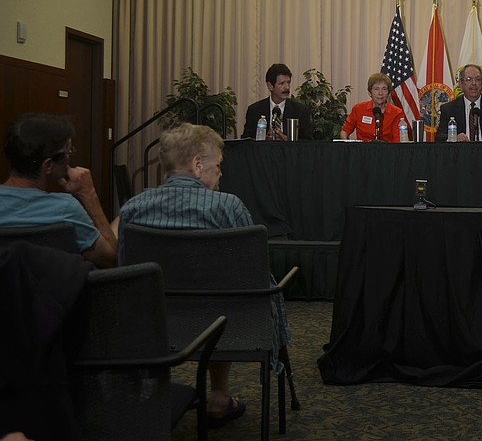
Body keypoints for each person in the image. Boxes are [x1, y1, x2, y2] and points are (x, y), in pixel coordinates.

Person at [117, 122, 292, 428]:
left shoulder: (132, 209)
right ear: (198, 166)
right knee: (224, 292)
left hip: (152, 324)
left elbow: (125, 273)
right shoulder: (229, 208)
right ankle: (220, 397)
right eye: (218, 166)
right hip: (225, 328)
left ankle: (152, 399)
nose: (220, 174)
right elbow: (253, 272)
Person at [0, 113, 117, 268]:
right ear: (48, 165)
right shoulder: (66, 209)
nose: (70, 157)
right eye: (69, 152)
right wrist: (89, 194)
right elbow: (111, 258)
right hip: (57, 292)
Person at [242, 63, 312, 140]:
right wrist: (264, 140)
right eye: (282, 83)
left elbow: (308, 143)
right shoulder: (255, 110)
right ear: (270, 86)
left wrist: (288, 140)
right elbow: (246, 142)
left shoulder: (301, 111)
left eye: (288, 83)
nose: (287, 87)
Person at [339, 73, 404, 142]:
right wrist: (347, 146)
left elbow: (398, 141)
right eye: (376, 89)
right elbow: (344, 132)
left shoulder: (397, 113)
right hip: (362, 151)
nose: (380, 93)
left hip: (387, 151)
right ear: (370, 92)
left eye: (384, 89)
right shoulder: (358, 109)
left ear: (389, 93)